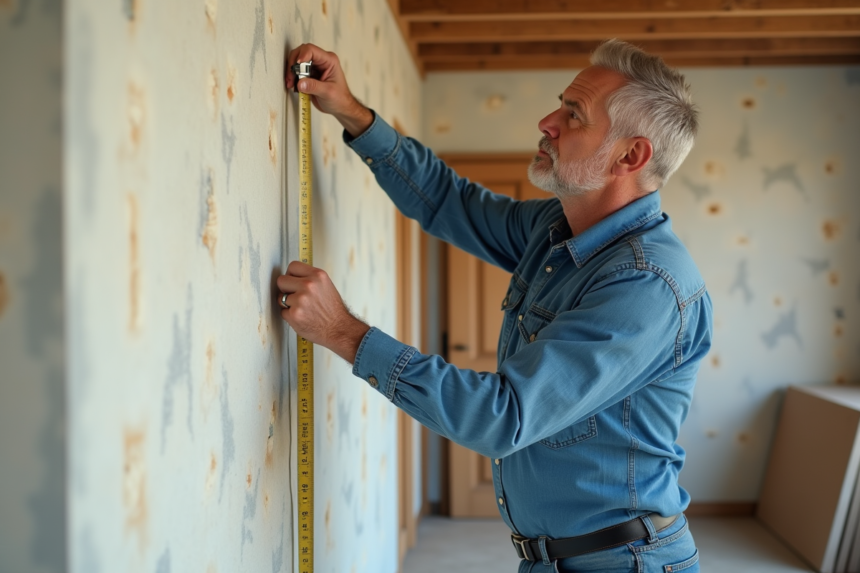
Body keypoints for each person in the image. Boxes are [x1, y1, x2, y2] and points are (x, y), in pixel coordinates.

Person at [278, 39, 712, 573]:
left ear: (630, 156)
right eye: (559, 106)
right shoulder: (555, 228)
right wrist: (351, 111)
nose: (547, 123)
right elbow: (448, 201)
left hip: (623, 564)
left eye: (573, 115)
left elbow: (502, 417)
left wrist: (343, 331)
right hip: (554, 558)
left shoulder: (646, 286)